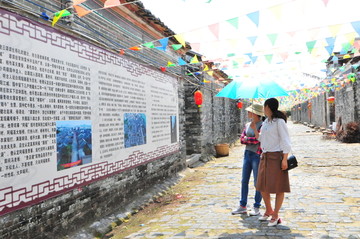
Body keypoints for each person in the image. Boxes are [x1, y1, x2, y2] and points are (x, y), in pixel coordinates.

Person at [250, 98, 291, 226]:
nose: (263, 108)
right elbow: (261, 139)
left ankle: (275, 214)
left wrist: (284, 159)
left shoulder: (279, 122)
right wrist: (254, 128)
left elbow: (286, 141)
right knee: (261, 185)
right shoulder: (266, 122)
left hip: (277, 157)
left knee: (279, 187)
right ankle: (268, 210)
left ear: (268, 107)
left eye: (264, 106)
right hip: (265, 157)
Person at [232, 103, 263, 216]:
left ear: (255, 113)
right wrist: (249, 138)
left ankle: (256, 205)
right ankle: (243, 205)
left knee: (257, 181)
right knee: (244, 180)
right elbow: (242, 139)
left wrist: (248, 138)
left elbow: (258, 140)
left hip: (257, 154)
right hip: (247, 154)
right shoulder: (247, 125)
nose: (248, 112)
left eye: (250, 111)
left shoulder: (262, 125)